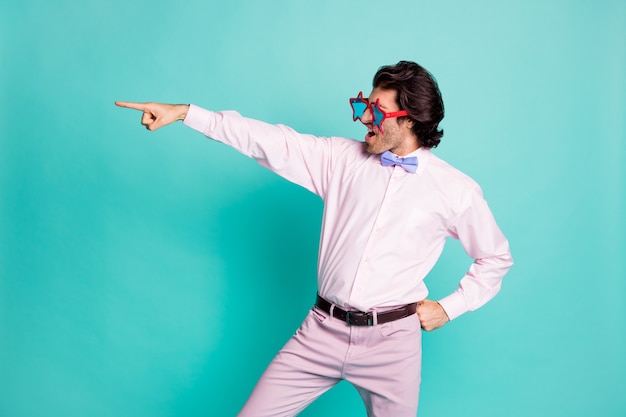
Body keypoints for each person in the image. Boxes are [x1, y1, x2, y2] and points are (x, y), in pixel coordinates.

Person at [116, 60, 513, 417]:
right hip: (321, 330)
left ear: (409, 120)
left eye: (375, 110)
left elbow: (495, 258)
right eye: (362, 104)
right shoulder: (339, 159)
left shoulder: (455, 189)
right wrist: (187, 113)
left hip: (393, 345)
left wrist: (450, 307)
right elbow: (268, 140)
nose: (362, 118)